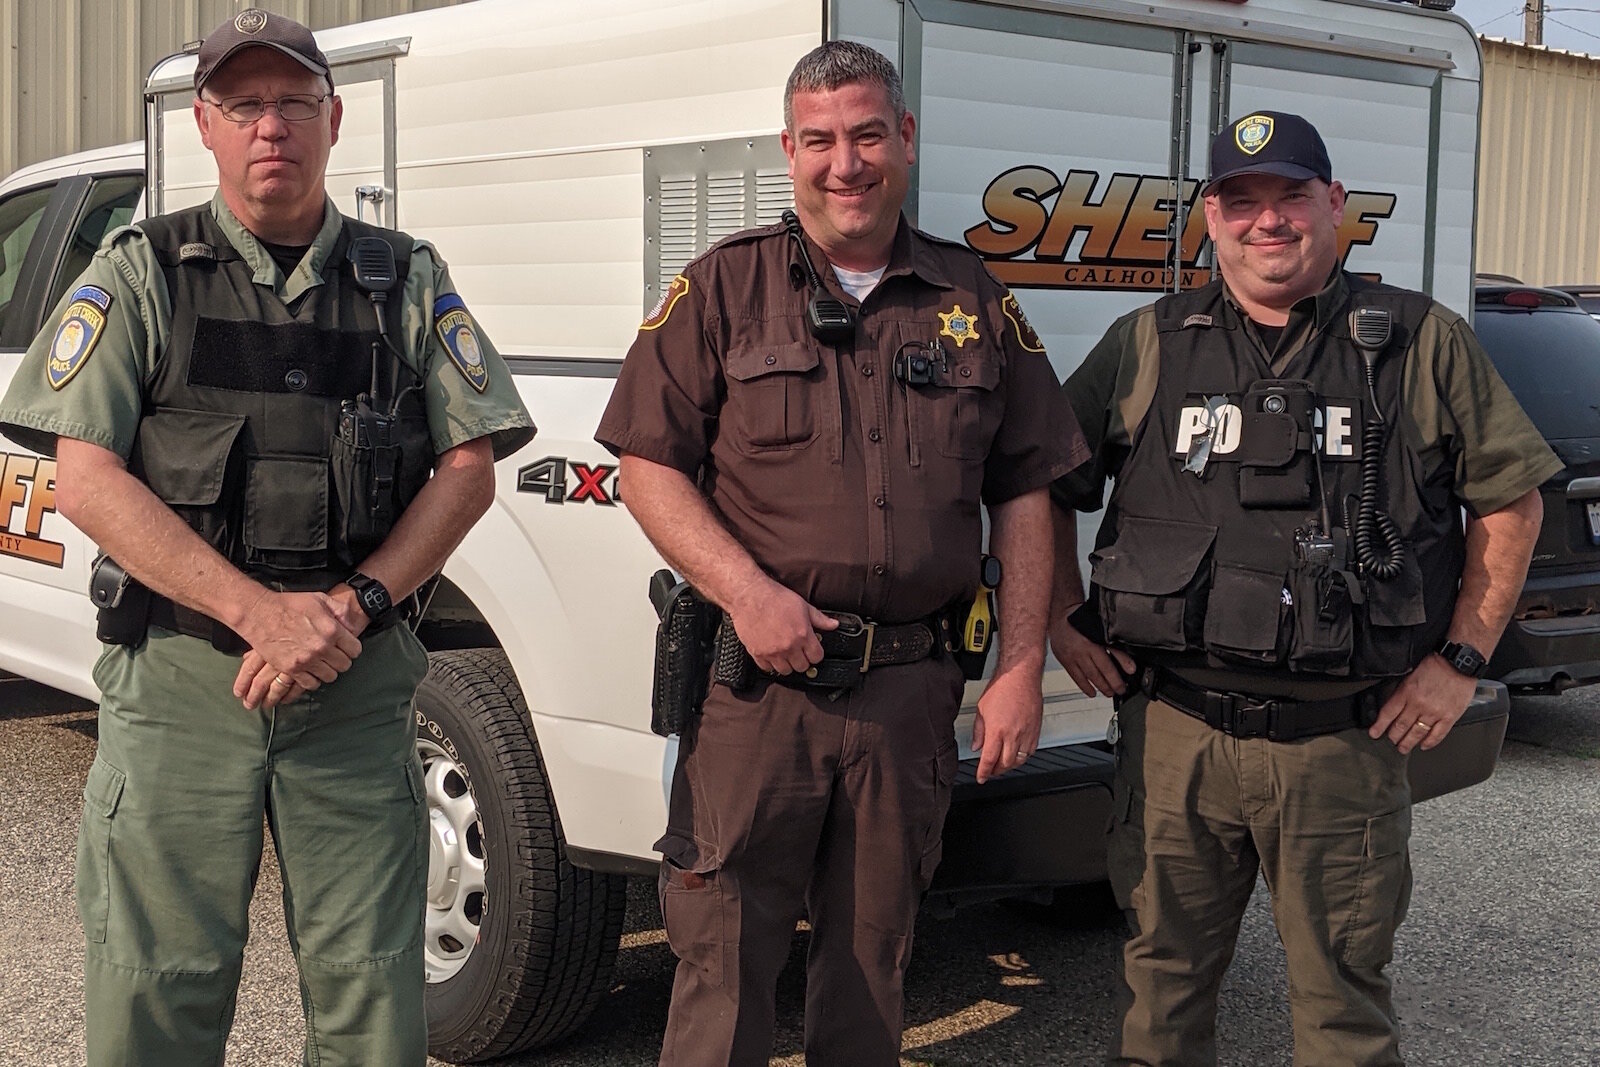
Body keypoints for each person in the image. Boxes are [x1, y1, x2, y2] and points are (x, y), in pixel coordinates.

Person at [0, 10, 534, 1066]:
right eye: (243, 104)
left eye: (293, 102)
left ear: (335, 120)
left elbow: (468, 467)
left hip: (354, 679)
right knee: (159, 986)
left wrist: (356, 605)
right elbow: (86, 479)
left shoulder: (405, 275)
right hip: (186, 684)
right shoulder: (142, 269)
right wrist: (260, 614)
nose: (270, 127)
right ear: (203, 123)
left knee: (374, 993)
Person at [596, 40, 1086, 1067]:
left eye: (867, 134)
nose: (845, 163)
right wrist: (747, 594)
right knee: (722, 959)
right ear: (788, 149)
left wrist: (1021, 666)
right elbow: (647, 467)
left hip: (908, 692)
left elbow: (1027, 491)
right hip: (757, 697)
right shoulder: (722, 289)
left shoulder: (973, 300)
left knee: (874, 961)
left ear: (904, 138)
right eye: (819, 140)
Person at [1048, 110, 1559, 1066]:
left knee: (1342, 1013)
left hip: (1341, 744)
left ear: (1334, 205)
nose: (1267, 222)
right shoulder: (1150, 341)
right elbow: (1044, 481)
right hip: (1175, 739)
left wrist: (1459, 662)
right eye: (1241, 202)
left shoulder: (1419, 342)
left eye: (1290, 197)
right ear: (1210, 218)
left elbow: (1511, 502)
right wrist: (1055, 622)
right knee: (1159, 994)